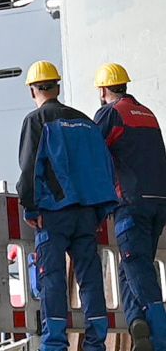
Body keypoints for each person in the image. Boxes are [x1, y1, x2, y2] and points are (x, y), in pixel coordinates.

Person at [17, 61, 119, 351]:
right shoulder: (86, 122)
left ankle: (55, 344)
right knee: (90, 279)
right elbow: (103, 168)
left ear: (32, 90)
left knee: (53, 279)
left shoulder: (36, 121)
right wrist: (100, 211)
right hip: (87, 213)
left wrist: (30, 207)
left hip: (53, 213)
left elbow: (28, 168)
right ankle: (96, 343)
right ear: (57, 86)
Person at [93, 63, 166, 351]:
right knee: (131, 264)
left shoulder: (111, 113)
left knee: (137, 267)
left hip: (131, 203)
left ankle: (160, 336)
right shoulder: (147, 113)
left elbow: (93, 152)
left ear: (103, 90)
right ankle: (138, 326)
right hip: (159, 202)